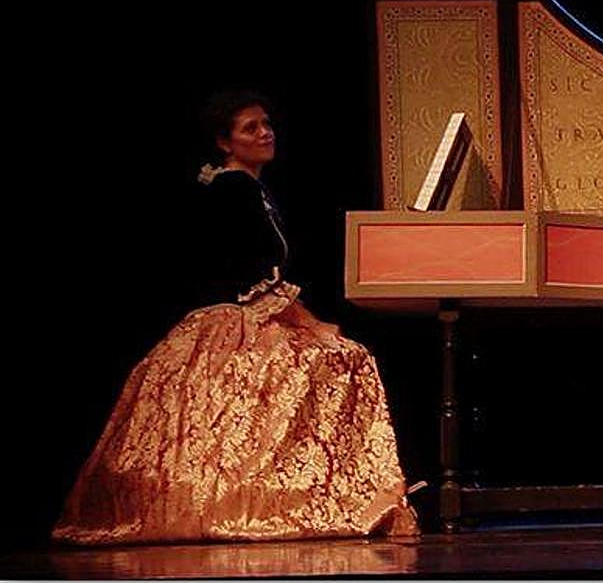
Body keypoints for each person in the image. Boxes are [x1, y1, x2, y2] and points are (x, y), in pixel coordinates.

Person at [53, 90, 419, 544]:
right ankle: (306, 495)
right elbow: (251, 275)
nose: (265, 133)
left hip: (247, 313)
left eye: (267, 124)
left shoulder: (247, 189)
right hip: (236, 318)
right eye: (251, 128)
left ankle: (299, 490)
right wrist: (310, 324)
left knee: (336, 355)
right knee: (345, 359)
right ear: (224, 142)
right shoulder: (235, 190)